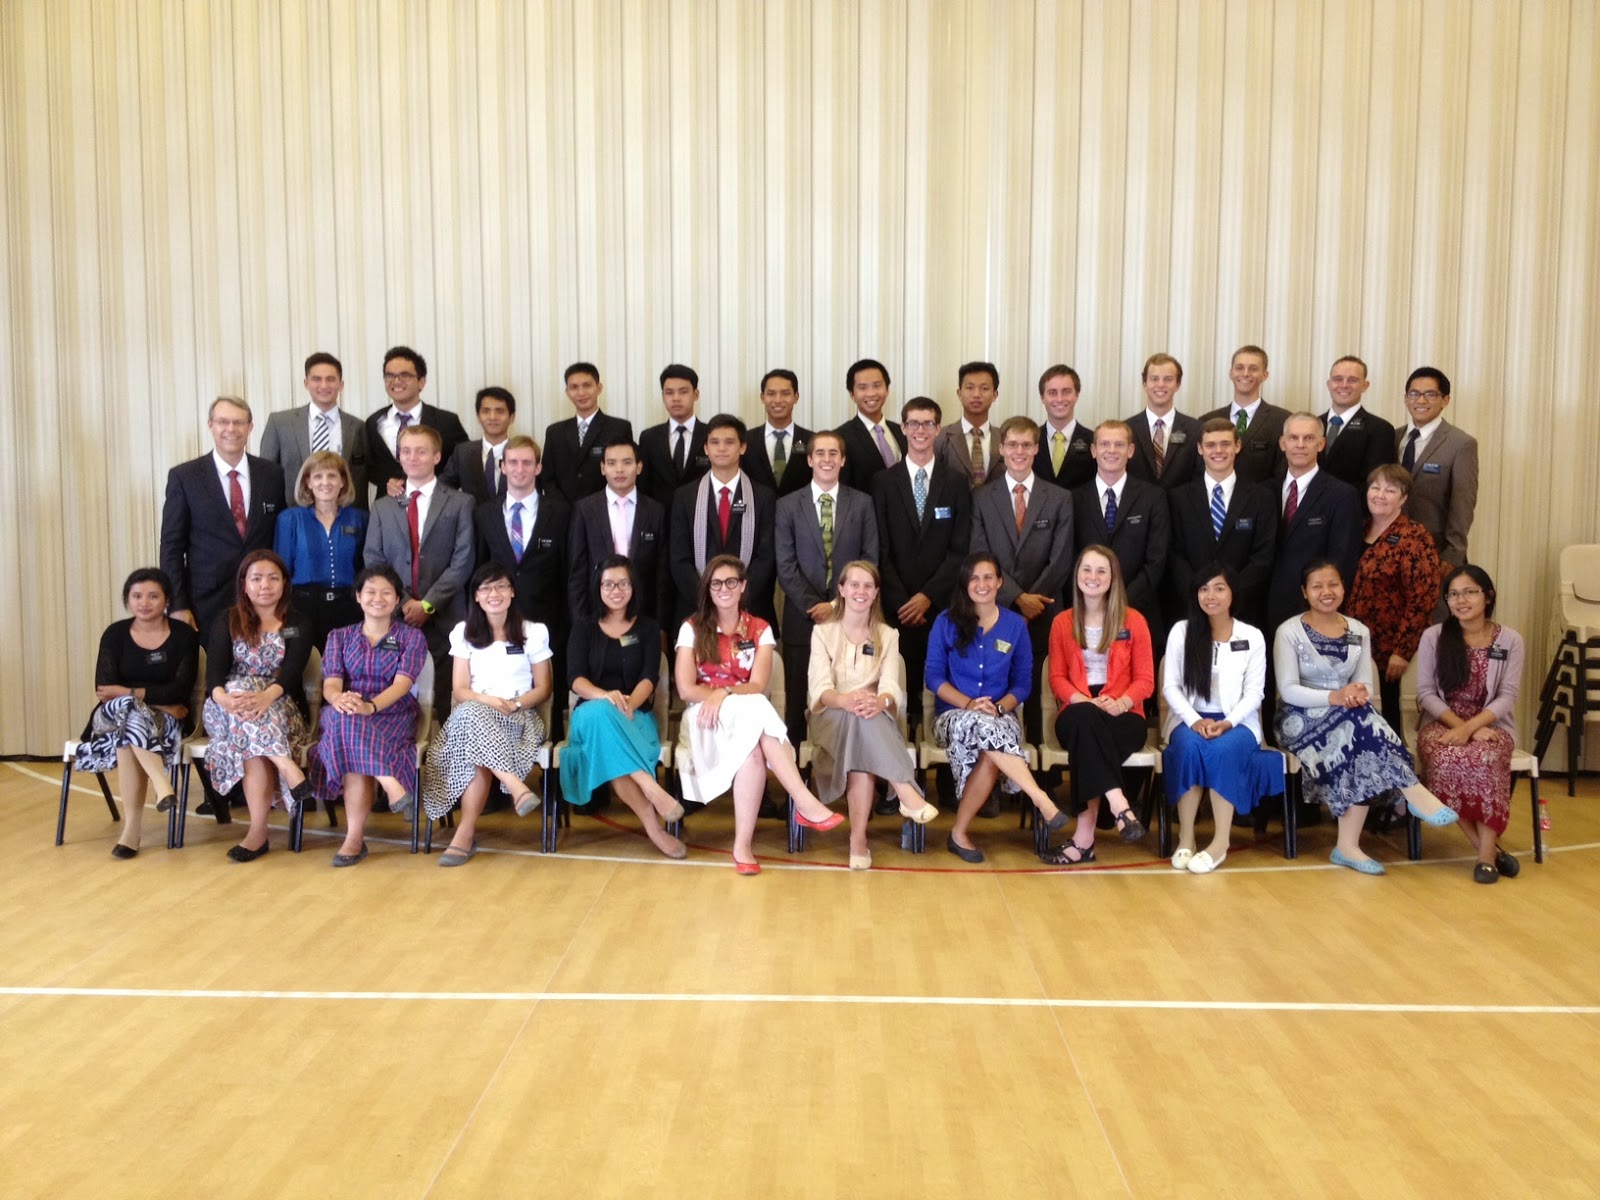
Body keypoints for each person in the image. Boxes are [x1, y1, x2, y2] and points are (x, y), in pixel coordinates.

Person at [1273, 560, 1458, 875]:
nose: (1326, 592)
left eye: (1333, 584)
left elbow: (1365, 686)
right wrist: (1335, 697)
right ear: (1305, 592)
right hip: (1299, 717)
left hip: (1349, 714)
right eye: (1317, 586)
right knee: (1363, 728)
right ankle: (1412, 792)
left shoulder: (1358, 630)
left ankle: (1347, 847)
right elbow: (1288, 690)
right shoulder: (1289, 631)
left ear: (1343, 587)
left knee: (1360, 734)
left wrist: (1354, 696)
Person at [673, 555, 844, 875]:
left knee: (753, 751)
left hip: (745, 714)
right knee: (757, 708)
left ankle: (743, 847)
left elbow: (758, 685)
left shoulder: (760, 629)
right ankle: (802, 800)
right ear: (708, 589)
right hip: (704, 716)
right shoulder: (691, 628)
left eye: (731, 582)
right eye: (716, 583)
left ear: (743, 586)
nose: (724, 588)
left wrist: (724, 692)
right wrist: (717, 696)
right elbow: (685, 689)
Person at [930, 553, 1072, 864]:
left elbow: (1022, 684)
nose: (981, 584)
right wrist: (969, 704)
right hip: (953, 716)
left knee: (991, 752)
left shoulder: (1015, 626)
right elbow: (934, 678)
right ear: (965, 584)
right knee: (987, 732)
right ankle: (1040, 798)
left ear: (1000, 583)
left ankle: (958, 834)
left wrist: (998, 707)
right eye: (974, 578)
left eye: (988, 577)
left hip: (1000, 715)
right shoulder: (945, 622)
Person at [419, 564, 554, 865]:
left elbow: (544, 688)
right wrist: (487, 700)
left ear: (512, 591)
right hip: (475, 712)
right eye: (486, 588)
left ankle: (464, 836)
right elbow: (460, 690)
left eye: (501, 586)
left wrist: (515, 704)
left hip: (518, 717)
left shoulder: (533, 632)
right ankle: (515, 787)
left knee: (474, 740)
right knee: (471, 714)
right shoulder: (463, 632)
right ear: (477, 596)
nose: (494, 593)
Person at [806, 561, 938, 869]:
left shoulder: (888, 635)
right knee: (858, 717)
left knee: (862, 724)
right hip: (830, 716)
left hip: (873, 716)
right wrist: (846, 700)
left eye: (868, 586)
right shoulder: (822, 633)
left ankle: (858, 841)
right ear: (841, 589)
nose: (861, 591)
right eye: (854, 584)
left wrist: (880, 701)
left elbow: (891, 685)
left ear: (876, 592)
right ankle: (905, 790)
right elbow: (819, 689)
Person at [1160, 563, 1284, 873]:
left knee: (1224, 749)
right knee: (1188, 747)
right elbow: (1170, 687)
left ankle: (1220, 842)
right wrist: (1194, 721)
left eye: (1219, 588)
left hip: (1237, 722)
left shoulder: (1252, 636)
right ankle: (1186, 837)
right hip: (1189, 720)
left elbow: (1255, 693)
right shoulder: (1182, 631)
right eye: (1204, 589)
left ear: (1232, 594)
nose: (1210, 595)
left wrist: (1228, 722)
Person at [562, 557, 687, 859]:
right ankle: (651, 790)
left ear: (633, 587)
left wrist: (629, 703)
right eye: (608, 584)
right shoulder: (583, 627)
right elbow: (575, 679)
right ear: (598, 588)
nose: (615, 590)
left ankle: (654, 829)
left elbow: (649, 677)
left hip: (634, 715)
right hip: (590, 715)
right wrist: (606, 697)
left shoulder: (648, 627)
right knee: (602, 715)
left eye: (622, 583)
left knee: (611, 754)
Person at [1040, 547, 1154, 866]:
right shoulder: (1062, 622)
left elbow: (1145, 680)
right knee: (1085, 722)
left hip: (1124, 714)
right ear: (1076, 576)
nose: (1093, 577)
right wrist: (1084, 701)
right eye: (1086, 569)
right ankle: (1119, 805)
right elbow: (1057, 678)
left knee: (1087, 744)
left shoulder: (1135, 620)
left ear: (1113, 577)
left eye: (1101, 570)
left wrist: (1121, 703)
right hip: (1076, 709)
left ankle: (1084, 841)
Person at [201, 550, 316, 861]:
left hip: (278, 704)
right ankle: (287, 766)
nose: (265, 585)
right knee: (242, 694)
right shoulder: (227, 620)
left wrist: (266, 696)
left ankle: (258, 833)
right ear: (244, 584)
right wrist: (226, 699)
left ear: (284, 583)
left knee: (253, 745)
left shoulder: (298, 622)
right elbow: (215, 677)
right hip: (228, 708)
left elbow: (291, 673)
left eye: (273, 578)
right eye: (257, 578)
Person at [309, 565, 427, 867]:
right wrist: (340, 699)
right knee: (346, 719)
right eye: (370, 592)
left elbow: (402, 685)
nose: (378, 598)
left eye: (386, 593)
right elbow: (331, 684)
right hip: (345, 708)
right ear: (358, 596)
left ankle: (354, 839)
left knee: (350, 728)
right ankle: (390, 783)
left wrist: (370, 706)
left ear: (397, 599)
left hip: (391, 712)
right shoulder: (339, 636)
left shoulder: (412, 637)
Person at [76, 568, 199, 858]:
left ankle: (131, 831)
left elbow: (180, 689)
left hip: (159, 724)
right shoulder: (115, 634)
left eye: (153, 596)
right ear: (127, 600)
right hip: (110, 719)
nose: (144, 602)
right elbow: (104, 690)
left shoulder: (183, 635)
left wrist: (128, 692)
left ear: (167, 599)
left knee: (129, 729)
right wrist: (157, 702)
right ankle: (161, 783)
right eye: (137, 596)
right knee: (127, 710)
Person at [1415, 567, 1525, 884]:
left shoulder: (1510, 640)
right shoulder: (1434, 637)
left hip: (1493, 724)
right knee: (1446, 758)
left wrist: (1472, 728)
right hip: (1442, 723)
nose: (1460, 600)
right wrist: (1464, 728)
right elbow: (1426, 693)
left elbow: (1507, 696)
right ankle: (1487, 852)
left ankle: (1486, 855)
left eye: (1469, 592)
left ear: (1488, 596)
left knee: (1486, 758)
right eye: (1453, 594)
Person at [969, 416, 1074, 742]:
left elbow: (1062, 559)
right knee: (998, 680)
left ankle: (1041, 760)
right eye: (1012, 444)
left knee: (1040, 685)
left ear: (1037, 449)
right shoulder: (982, 497)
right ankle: (999, 757)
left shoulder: (1059, 497)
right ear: (1001, 448)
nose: (1019, 451)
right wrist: (1016, 597)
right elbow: (980, 554)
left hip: (1045, 609)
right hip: (995, 608)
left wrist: (1032, 602)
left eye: (1026, 445)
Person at [363, 424, 476, 725]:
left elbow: (463, 560)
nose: (413, 457)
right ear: (399, 456)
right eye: (407, 451)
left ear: (437, 456)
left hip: (446, 613)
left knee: (447, 698)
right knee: (398, 693)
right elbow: (374, 559)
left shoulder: (460, 502)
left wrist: (427, 604)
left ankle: (449, 751)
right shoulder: (383, 506)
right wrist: (403, 603)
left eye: (421, 451)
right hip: (395, 615)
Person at [872, 396, 972, 730]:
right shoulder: (883, 482)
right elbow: (880, 549)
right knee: (898, 684)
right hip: (896, 607)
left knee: (938, 684)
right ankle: (899, 752)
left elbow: (960, 549)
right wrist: (903, 601)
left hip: (940, 606)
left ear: (938, 429)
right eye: (913, 423)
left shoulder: (955, 482)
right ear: (902, 428)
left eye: (928, 423)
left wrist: (927, 596)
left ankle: (936, 752)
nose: (920, 430)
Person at [775, 431, 879, 746]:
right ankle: (797, 772)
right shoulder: (787, 505)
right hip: (801, 619)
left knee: (846, 694)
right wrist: (815, 606)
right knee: (797, 701)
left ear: (843, 460)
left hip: (851, 618)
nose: (827, 459)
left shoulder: (862, 503)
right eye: (819, 453)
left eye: (833, 453)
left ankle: (841, 765)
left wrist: (836, 605)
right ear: (809, 459)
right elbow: (786, 566)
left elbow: (869, 560)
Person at [160, 396, 286, 641]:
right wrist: (177, 604)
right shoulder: (185, 477)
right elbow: (171, 547)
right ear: (211, 425)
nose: (231, 429)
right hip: (205, 603)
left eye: (238, 422)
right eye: (223, 422)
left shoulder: (272, 474)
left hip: (263, 601)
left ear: (250, 427)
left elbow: (280, 537)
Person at [474, 435, 571, 697]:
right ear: (502, 466)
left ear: (538, 468)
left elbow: (569, 569)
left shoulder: (560, 512)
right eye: (513, 462)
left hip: (549, 618)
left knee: (548, 696)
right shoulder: (485, 513)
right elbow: (479, 570)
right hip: (497, 620)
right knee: (501, 691)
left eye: (527, 463)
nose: (520, 469)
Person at [1345, 464, 1439, 733]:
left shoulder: (1415, 536)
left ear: (1403, 498)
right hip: (1356, 642)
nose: (1380, 495)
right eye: (1375, 488)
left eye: (1390, 490)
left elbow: (1423, 598)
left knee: (1389, 719)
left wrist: (1402, 650)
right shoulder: (1358, 529)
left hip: (1391, 650)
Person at [667, 413, 778, 627]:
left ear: (742, 447)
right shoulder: (685, 496)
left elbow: (766, 558)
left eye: (729, 442)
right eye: (714, 442)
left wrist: (737, 597)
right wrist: (707, 598)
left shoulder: (763, 496)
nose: (721, 448)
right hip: (697, 608)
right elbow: (679, 557)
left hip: (750, 608)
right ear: (706, 448)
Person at [1166, 417, 1277, 630]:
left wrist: (1229, 593)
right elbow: (1174, 553)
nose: (1218, 451)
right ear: (1200, 449)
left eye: (1225, 444)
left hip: (1243, 609)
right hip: (1191, 609)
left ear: (1237, 446)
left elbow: (1263, 557)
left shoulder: (1261, 497)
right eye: (1210, 445)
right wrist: (1201, 592)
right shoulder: (1178, 498)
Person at [1265, 413, 1363, 636]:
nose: (1300, 445)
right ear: (1282, 443)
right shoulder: (1264, 491)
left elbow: (1343, 560)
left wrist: (1324, 601)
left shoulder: (1342, 495)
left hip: (1315, 610)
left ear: (1321, 444)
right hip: (1265, 607)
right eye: (1294, 438)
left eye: (1308, 438)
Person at [1071, 420, 1170, 634]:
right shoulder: (1074, 499)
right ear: (1094, 450)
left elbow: (1156, 560)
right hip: (1086, 611)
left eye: (1119, 444)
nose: (1112, 450)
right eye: (1105, 444)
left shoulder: (1153, 497)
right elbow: (1070, 555)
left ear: (1131, 450)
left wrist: (1121, 599)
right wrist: (1095, 599)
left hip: (1138, 610)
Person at [273, 450, 367, 653]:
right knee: (306, 666)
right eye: (318, 476)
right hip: (303, 608)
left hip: (348, 607)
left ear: (343, 481)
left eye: (332, 475)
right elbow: (281, 571)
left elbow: (365, 568)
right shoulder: (290, 519)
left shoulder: (359, 519)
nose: (325, 482)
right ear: (308, 482)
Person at [567, 436, 667, 623]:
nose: (619, 469)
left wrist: (660, 625)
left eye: (627, 462)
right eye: (612, 463)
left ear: (639, 467)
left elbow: (662, 576)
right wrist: (581, 623)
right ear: (603, 468)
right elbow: (577, 572)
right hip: (596, 615)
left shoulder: (655, 511)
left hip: (642, 615)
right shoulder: (585, 509)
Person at [1396, 367, 1479, 583]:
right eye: (1414, 393)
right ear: (1406, 398)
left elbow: (1463, 503)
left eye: (1430, 394)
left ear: (1445, 400)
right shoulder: (1393, 437)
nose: (1421, 400)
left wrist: (1453, 553)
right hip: (1391, 549)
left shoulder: (1461, 444)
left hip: (1436, 552)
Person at [260, 352, 369, 508]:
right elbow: (266, 473)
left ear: (341, 384)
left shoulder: (357, 427)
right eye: (317, 379)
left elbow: (363, 477)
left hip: (343, 514)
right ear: (306, 383)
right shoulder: (280, 423)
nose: (324, 385)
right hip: (293, 513)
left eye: (330, 379)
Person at [364, 345, 469, 501]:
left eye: (404, 375)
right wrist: (386, 481)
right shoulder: (374, 422)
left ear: (421, 382)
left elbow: (462, 464)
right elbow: (369, 467)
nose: (396, 381)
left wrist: (432, 485)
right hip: (389, 507)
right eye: (390, 376)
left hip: (437, 504)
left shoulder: (447, 421)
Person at [542, 362, 635, 504]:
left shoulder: (619, 428)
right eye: (574, 387)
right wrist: (560, 507)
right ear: (567, 392)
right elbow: (547, 477)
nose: (581, 393)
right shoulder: (555, 432)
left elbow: (627, 472)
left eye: (587, 385)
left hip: (605, 509)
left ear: (599, 388)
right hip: (563, 511)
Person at [1201, 344, 1289, 484]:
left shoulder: (1282, 421)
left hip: (1263, 496)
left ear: (1265, 375)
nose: (1246, 373)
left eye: (1253, 368)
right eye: (1239, 368)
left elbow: (1283, 472)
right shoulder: (1206, 421)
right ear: (1231, 373)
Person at [1318, 355, 1397, 488]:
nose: (1344, 385)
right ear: (1329, 384)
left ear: (1365, 386)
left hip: (1353, 501)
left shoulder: (1380, 429)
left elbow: (1374, 482)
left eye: (1352, 380)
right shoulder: (1313, 424)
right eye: (1338, 379)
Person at [1124, 353, 1201, 489]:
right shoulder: (1126, 429)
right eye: (1154, 379)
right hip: (1138, 502)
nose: (1160, 385)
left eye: (1168, 379)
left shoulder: (1196, 430)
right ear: (1144, 384)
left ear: (1178, 384)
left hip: (1181, 502)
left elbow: (1199, 478)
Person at [638, 363, 710, 507]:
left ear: (696, 395)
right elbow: (643, 486)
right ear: (663, 396)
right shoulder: (649, 438)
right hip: (660, 516)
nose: (676, 398)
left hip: (700, 513)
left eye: (683, 392)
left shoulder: (710, 435)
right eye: (669, 392)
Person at [834, 358, 907, 493]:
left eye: (877, 386)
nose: (871, 393)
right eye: (862, 388)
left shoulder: (902, 431)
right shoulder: (840, 438)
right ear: (852, 394)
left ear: (887, 390)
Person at [742, 368, 814, 497]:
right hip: (758, 509)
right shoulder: (745, 440)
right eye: (771, 394)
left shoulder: (812, 441)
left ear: (796, 397)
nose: (778, 400)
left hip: (799, 509)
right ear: (762, 397)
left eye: (785, 393)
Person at [933, 361, 1003, 487]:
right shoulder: (940, 437)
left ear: (995, 395)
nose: (976, 395)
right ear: (959, 393)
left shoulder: (1004, 438)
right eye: (970, 388)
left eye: (984, 388)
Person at [442, 386, 515, 503]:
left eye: (500, 411)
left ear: (511, 417)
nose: (492, 417)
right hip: (471, 515)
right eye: (486, 411)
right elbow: (443, 489)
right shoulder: (462, 453)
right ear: (478, 417)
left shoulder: (523, 453)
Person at [1032, 365, 1096, 490]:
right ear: (1042, 397)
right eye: (1052, 393)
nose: (1060, 399)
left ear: (1077, 395)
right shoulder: (1030, 440)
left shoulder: (1093, 441)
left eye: (1066, 392)